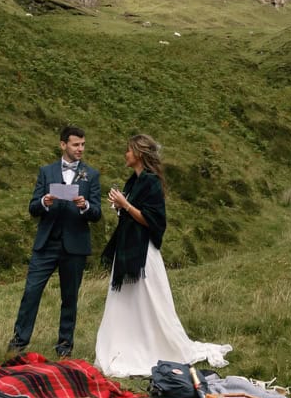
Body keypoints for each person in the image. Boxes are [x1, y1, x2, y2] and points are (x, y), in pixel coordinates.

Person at [93, 133, 230, 378]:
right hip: (127, 248)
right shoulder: (133, 181)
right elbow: (132, 214)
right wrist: (120, 206)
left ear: (139, 154)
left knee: (151, 301)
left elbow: (152, 220)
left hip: (143, 253)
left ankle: (152, 343)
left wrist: (126, 205)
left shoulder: (151, 182)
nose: (125, 154)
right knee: (126, 301)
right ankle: (124, 344)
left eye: (129, 150)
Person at [7, 125, 102, 360]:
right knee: (31, 292)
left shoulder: (91, 175)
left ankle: (65, 346)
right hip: (46, 243)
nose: (80, 149)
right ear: (63, 145)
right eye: (75, 144)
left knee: (69, 297)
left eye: (83, 145)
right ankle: (18, 342)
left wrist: (85, 206)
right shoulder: (46, 172)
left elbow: (97, 213)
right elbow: (32, 208)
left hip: (75, 245)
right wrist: (44, 202)